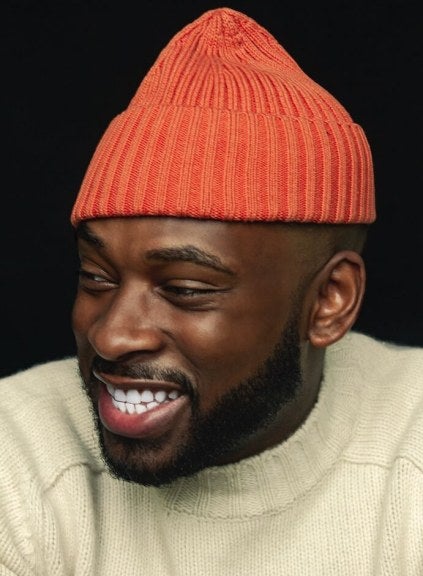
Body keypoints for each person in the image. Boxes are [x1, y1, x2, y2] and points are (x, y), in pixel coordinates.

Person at [1, 7, 422, 575]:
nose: (112, 334)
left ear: (329, 302)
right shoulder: (19, 452)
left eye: (185, 288)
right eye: (96, 275)